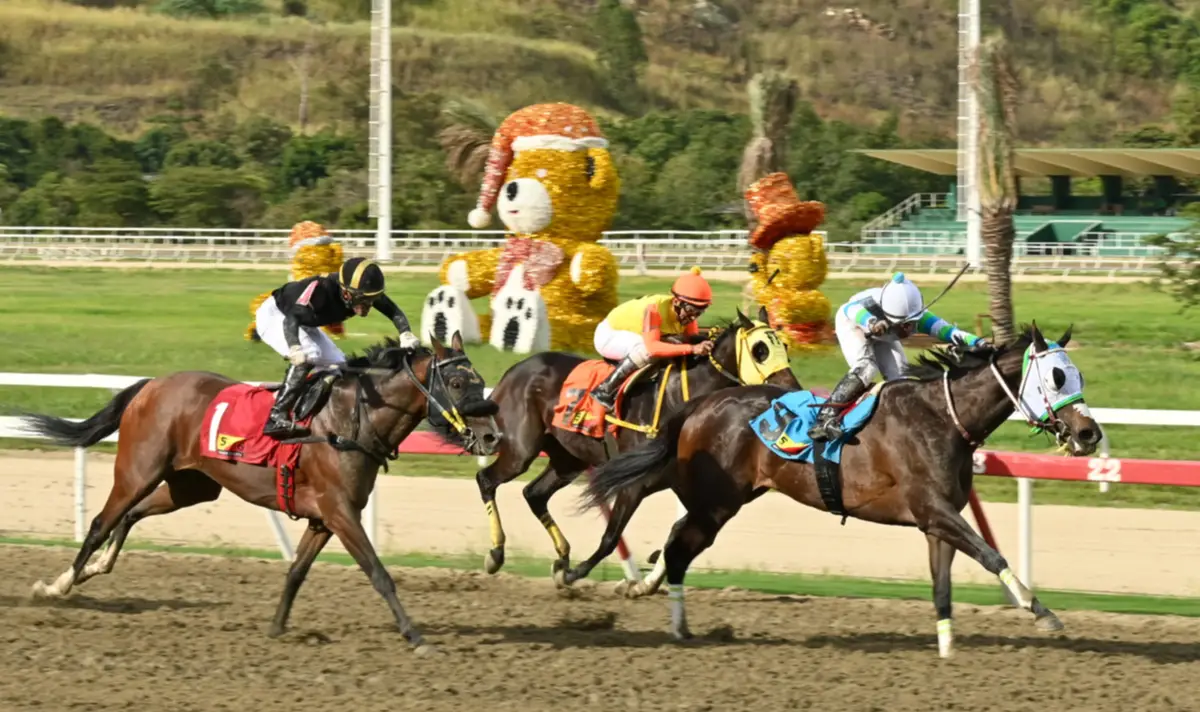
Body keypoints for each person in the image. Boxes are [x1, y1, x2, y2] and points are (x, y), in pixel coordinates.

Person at [808, 272, 990, 442]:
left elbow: (949, 332)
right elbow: (850, 310)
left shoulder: (917, 316)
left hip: (882, 333)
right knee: (866, 368)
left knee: (901, 378)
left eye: (911, 324)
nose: (908, 330)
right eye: (903, 325)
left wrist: (978, 342)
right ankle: (824, 418)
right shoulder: (870, 304)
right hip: (852, 324)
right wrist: (870, 322)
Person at [254, 256, 422, 439]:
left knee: (339, 366)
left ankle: (310, 412)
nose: (369, 306)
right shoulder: (321, 292)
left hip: (303, 321)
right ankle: (276, 417)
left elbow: (393, 310)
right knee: (309, 355)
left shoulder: (360, 291)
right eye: (364, 301)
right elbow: (291, 320)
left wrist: (405, 333)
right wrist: (295, 348)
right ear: (347, 294)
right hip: (277, 316)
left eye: (372, 300)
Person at [588, 266, 716, 413]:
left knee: (678, 344)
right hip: (610, 335)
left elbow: (691, 340)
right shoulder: (654, 310)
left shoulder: (687, 315)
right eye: (691, 310)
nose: (693, 317)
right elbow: (653, 348)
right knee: (647, 351)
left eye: (700, 312)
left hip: (639, 335)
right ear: (676, 302)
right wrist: (693, 348)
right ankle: (605, 390)